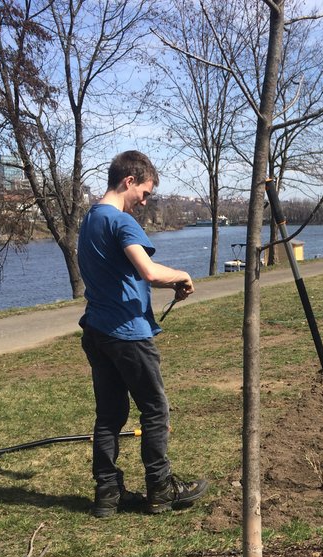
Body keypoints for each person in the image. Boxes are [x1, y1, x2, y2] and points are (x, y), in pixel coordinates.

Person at [78, 150, 206, 517]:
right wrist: (181, 275)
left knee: (109, 415)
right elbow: (147, 271)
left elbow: (122, 273)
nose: (145, 201)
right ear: (128, 181)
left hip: (97, 331)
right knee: (154, 408)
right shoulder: (120, 222)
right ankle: (161, 488)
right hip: (128, 335)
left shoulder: (89, 220)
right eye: (145, 193)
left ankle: (108, 494)